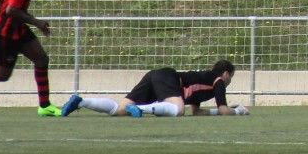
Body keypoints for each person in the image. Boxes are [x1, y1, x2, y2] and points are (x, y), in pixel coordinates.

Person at [59, 60, 246, 117]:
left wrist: (214, 111)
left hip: (156, 76)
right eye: (231, 77)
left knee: (119, 110)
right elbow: (224, 110)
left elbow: (196, 112)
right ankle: (140, 109)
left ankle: (81, 102)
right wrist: (239, 111)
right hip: (169, 77)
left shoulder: (205, 80)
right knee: (178, 110)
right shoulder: (218, 81)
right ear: (226, 74)